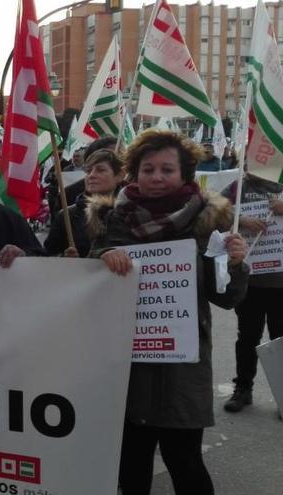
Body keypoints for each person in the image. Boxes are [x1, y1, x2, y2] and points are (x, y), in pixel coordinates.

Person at [90, 130, 249, 495]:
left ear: (185, 174)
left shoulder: (207, 222)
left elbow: (226, 298)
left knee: (185, 461)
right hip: (127, 364)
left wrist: (235, 265)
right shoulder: (112, 219)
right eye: (148, 169)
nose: (157, 177)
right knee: (131, 463)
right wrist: (101, 260)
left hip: (183, 368)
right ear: (133, 174)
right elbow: (87, 285)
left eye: (167, 169)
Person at [220, 171, 283, 412]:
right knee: (247, 337)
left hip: (281, 282)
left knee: (280, 338)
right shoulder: (240, 187)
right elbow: (213, 212)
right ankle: (242, 389)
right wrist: (242, 219)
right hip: (250, 280)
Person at [44, 149, 124, 257]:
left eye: (100, 170)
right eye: (88, 171)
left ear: (119, 176)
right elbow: (47, 257)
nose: (91, 175)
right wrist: (64, 257)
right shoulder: (66, 216)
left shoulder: (132, 211)